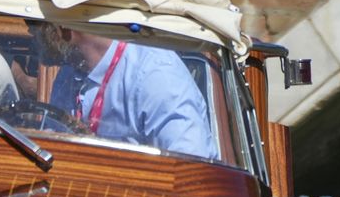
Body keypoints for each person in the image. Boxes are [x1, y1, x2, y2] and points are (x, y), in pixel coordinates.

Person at [39, 24, 219, 159]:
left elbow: (187, 174)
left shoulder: (156, 75)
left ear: (61, 26)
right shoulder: (68, 74)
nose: (32, 33)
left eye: (33, 22)